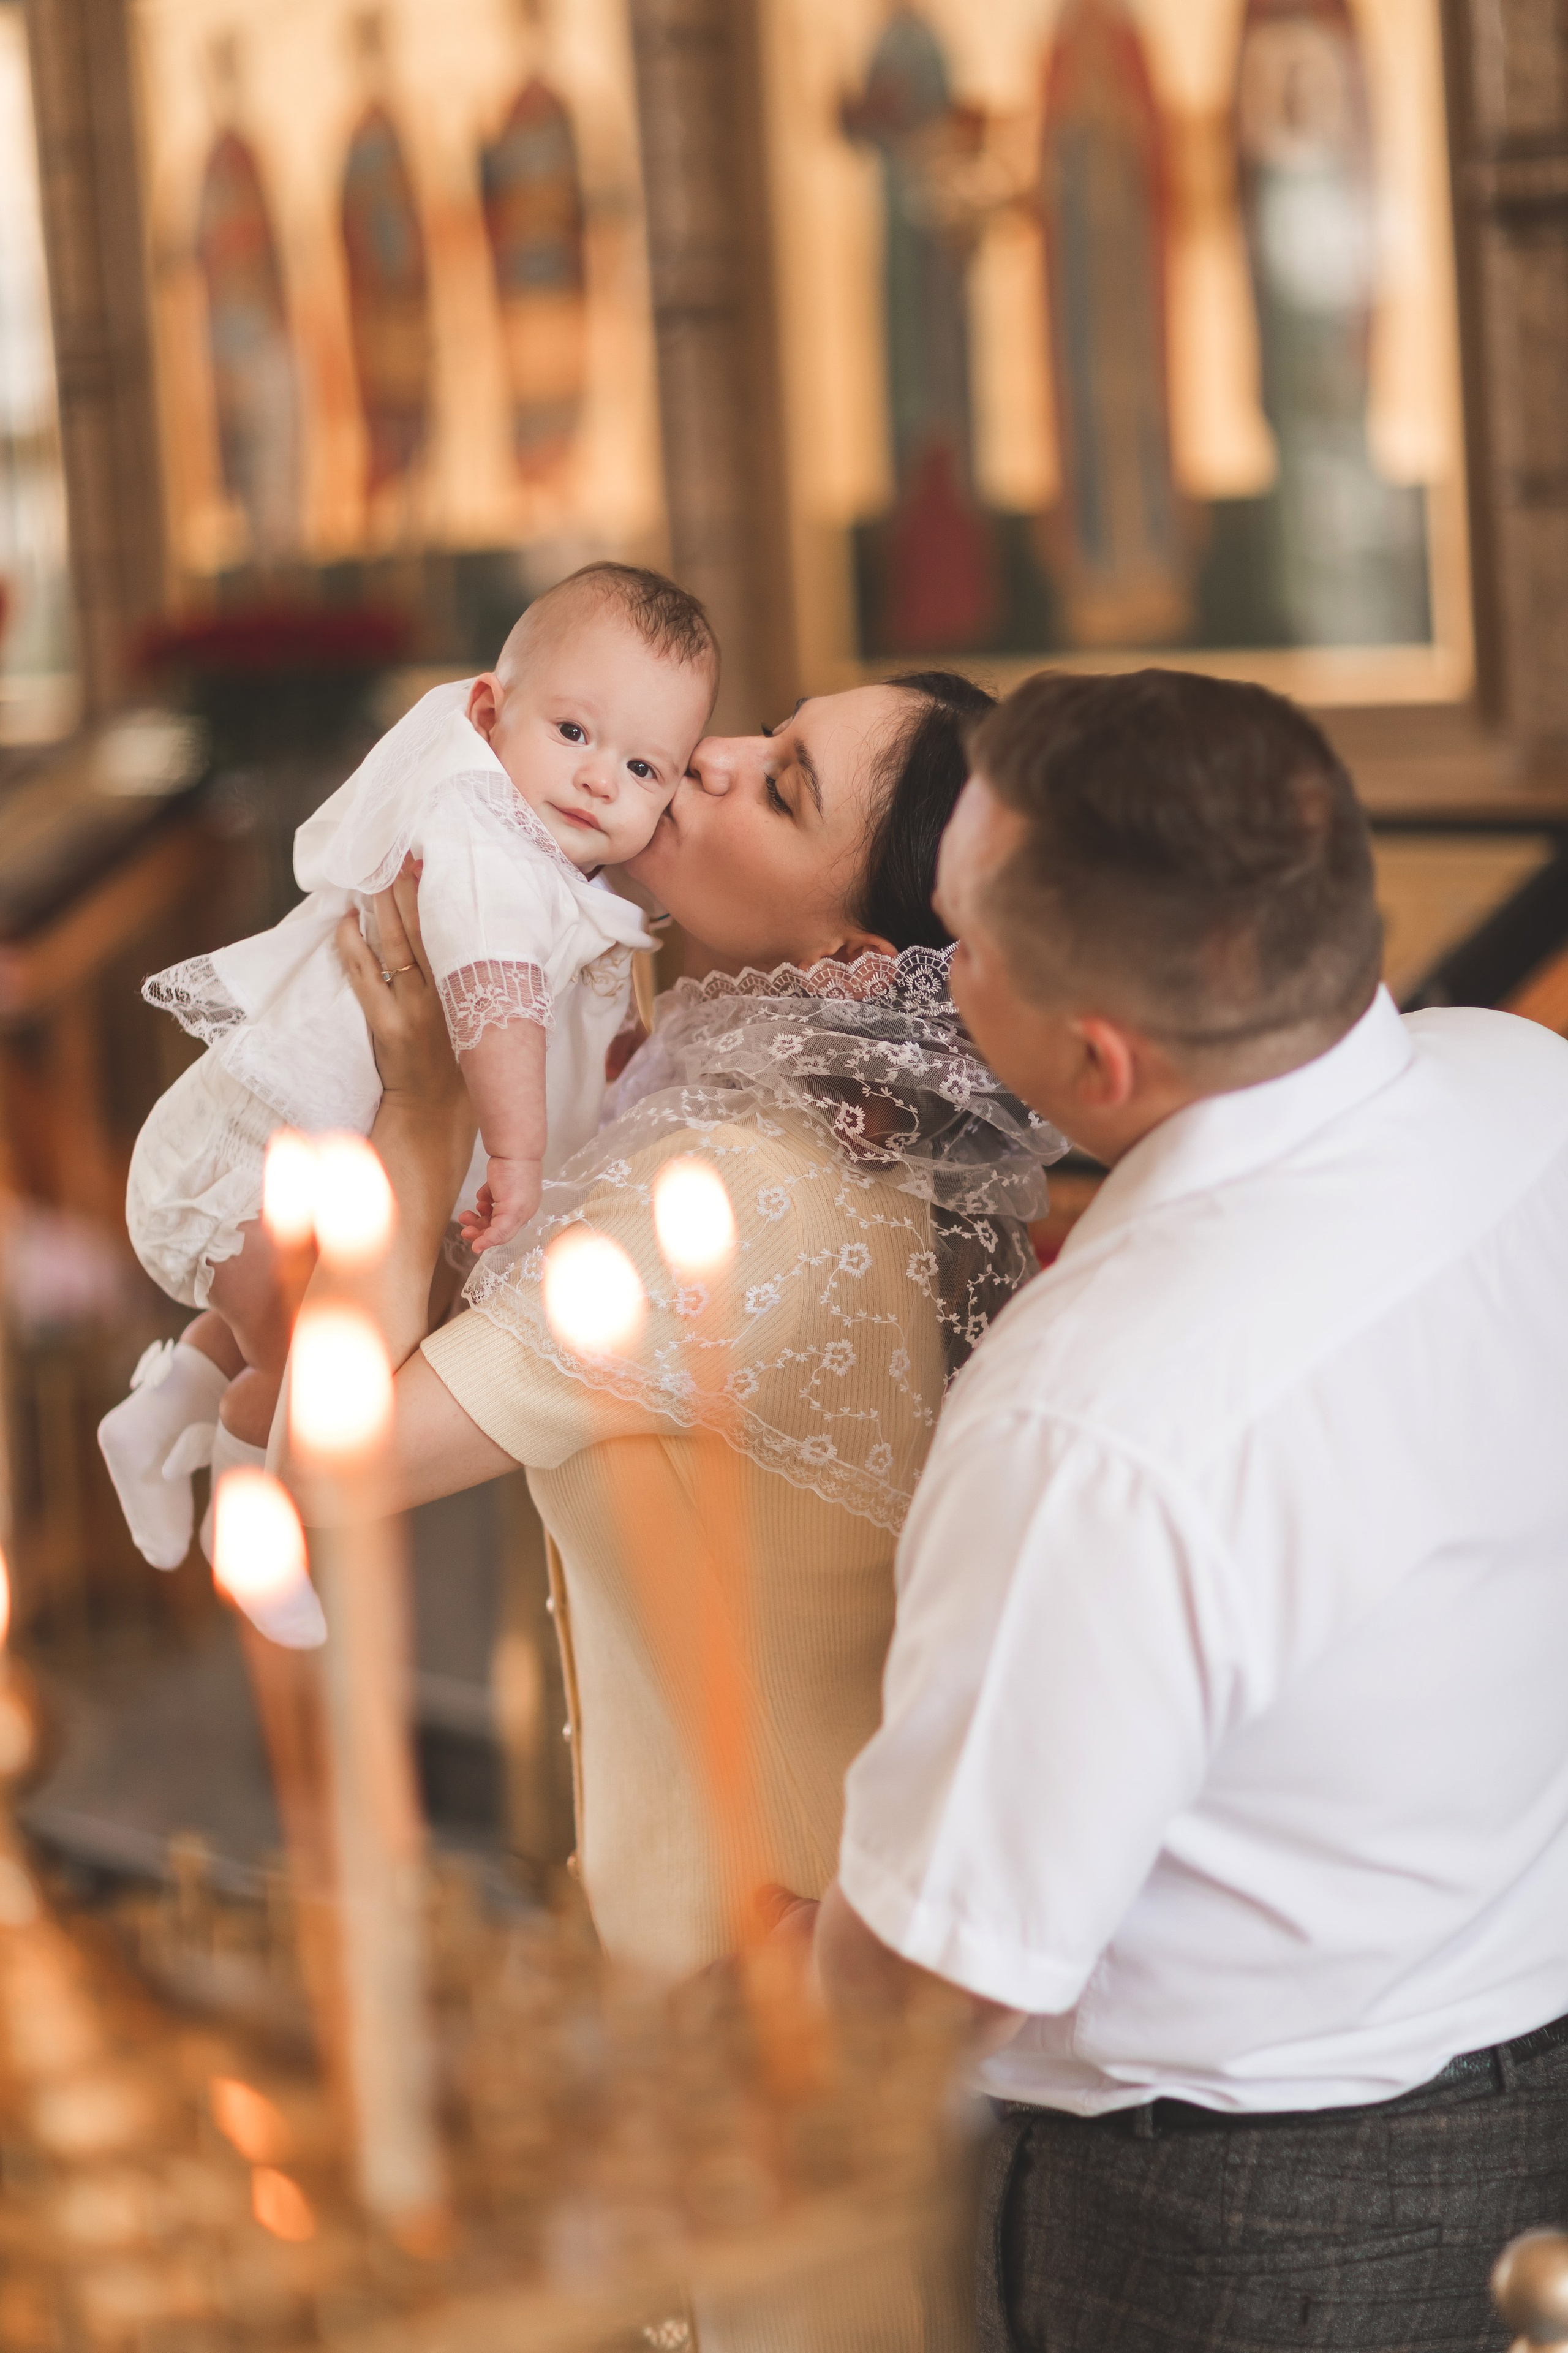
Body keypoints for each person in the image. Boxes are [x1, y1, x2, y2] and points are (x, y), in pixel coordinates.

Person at [783, 668, 1568, 2353]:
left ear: (1098, 1053)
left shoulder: (1088, 1416)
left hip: (1228, 2223)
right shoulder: (1527, 1090)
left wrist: (791, 1966)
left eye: (960, 943)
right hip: (1526, 2089)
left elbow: (950, 1975)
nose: (936, 972)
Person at [288, 670, 1060, 2351]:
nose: (705, 758)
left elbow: (326, 1460)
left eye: (779, 787)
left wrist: (422, 1102)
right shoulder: (760, 1115)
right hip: (752, 1983)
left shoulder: (744, 1190)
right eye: (761, 732)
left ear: (854, 961)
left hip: (789, 2003)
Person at [99, 563, 716, 1585]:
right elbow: (495, 999)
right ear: (489, 713)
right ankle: (255, 1536)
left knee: (291, 1314)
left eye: (646, 768)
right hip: (263, 1164)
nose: (602, 779)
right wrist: (517, 1155)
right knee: (302, 1365)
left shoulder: (557, 859)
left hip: (301, 1156)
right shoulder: (486, 840)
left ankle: (162, 1410)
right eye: (574, 732)